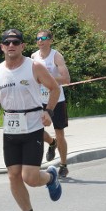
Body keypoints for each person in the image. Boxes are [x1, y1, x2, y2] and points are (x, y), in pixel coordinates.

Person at [0, 29, 64, 211]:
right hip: (10, 127)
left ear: (22, 46)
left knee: (30, 177)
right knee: (13, 176)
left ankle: (50, 177)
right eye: (7, 42)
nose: (11, 45)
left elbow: (54, 88)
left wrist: (49, 111)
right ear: (2, 47)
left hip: (33, 126)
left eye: (15, 42)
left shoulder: (34, 66)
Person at [30, 29, 71, 177]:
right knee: (35, 130)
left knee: (60, 133)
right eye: (38, 38)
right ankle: (51, 143)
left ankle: (63, 165)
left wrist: (46, 79)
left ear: (50, 40)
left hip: (56, 100)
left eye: (44, 38)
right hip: (39, 100)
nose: (40, 41)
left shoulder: (56, 56)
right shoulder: (34, 56)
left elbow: (66, 79)